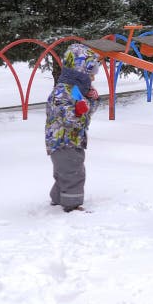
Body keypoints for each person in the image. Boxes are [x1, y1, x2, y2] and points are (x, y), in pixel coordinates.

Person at [45, 43, 101, 212]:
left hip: (72, 140)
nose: (93, 78)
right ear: (79, 72)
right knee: (73, 173)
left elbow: (86, 116)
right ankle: (72, 205)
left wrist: (92, 100)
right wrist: (78, 110)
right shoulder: (61, 92)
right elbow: (67, 118)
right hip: (62, 141)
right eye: (90, 74)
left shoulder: (76, 91)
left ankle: (58, 198)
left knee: (65, 172)